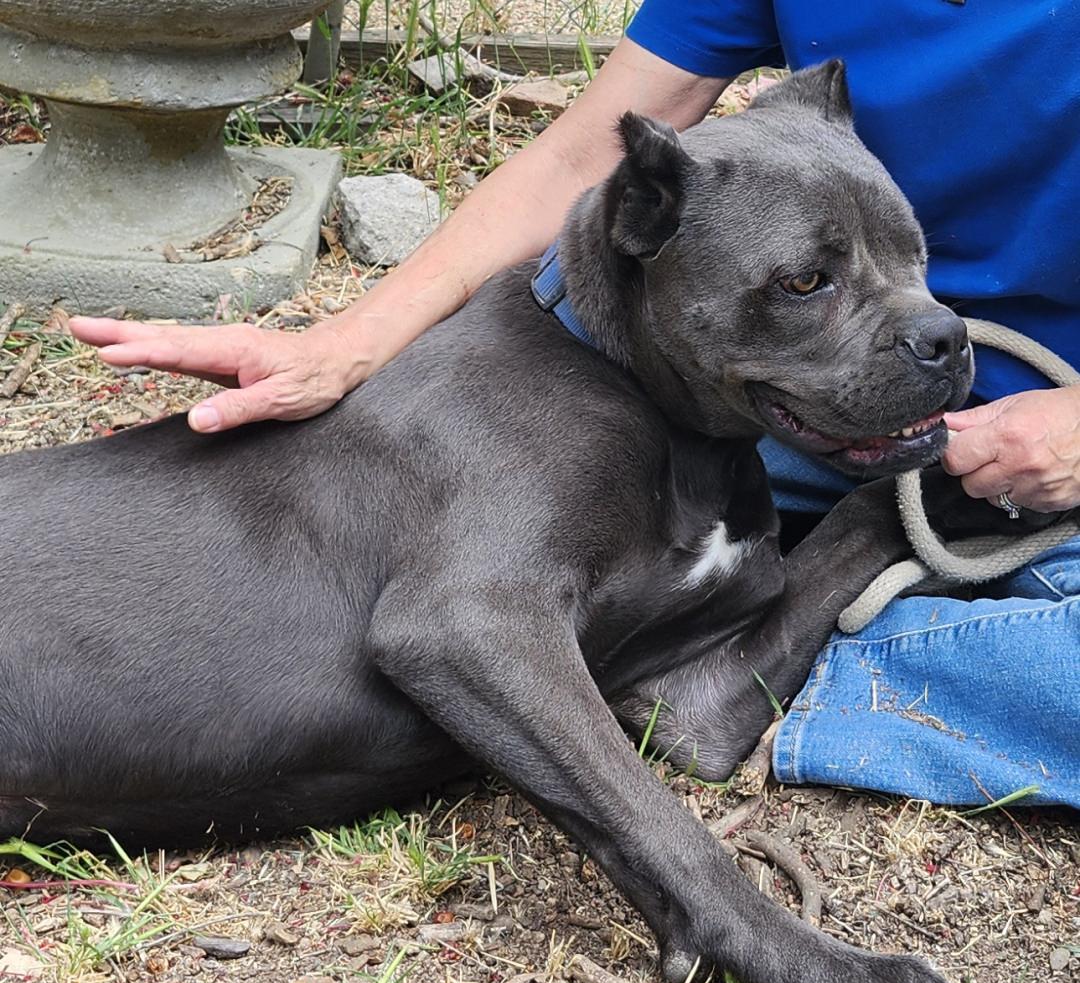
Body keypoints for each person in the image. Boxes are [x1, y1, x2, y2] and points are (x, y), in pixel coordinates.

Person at [69, 2, 1080, 808]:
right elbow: (577, 157)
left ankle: (723, 671)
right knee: (494, 540)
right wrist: (345, 346)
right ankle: (696, 663)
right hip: (767, 393)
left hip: (1044, 435)